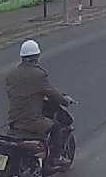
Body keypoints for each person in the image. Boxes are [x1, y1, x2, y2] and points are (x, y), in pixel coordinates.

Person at [6, 39, 73, 167]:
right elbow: (51, 92)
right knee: (56, 127)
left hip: (14, 120)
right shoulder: (38, 74)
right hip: (31, 121)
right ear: (36, 57)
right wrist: (65, 100)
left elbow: (19, 92)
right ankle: (57, 158)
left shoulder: (11, 74)